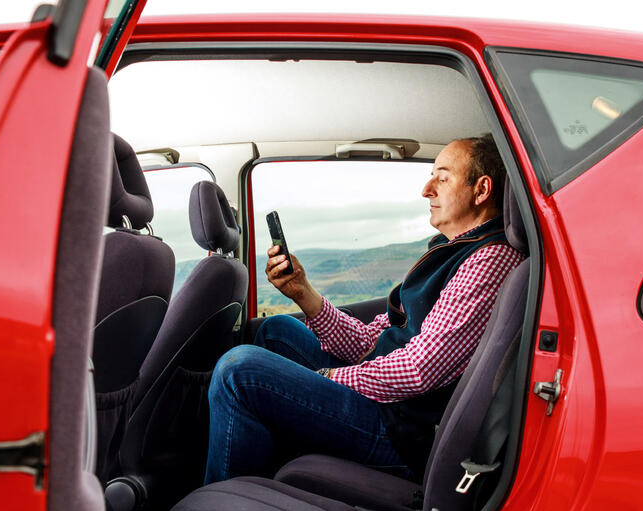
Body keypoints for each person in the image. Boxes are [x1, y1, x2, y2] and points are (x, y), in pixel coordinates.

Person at [204, 135, 524, 484]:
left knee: (238, 372)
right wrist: (302, 292)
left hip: (402, 431)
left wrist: (327, 379)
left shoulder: (489, 259)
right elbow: (373, 339)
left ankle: (225, 500)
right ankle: (263, 470)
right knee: (275, 331)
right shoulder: (451, 250)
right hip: (392, 406)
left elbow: (420, 369)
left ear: (482, 190)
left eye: (442, 177)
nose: (426, 189)